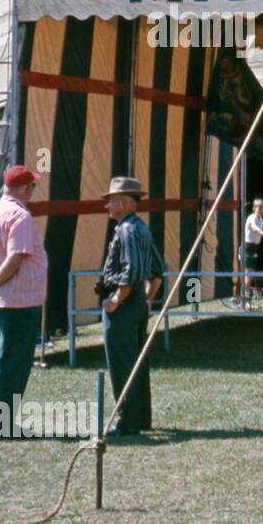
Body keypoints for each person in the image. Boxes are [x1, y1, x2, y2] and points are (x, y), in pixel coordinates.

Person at [99, 177, 163, 435]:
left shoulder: (125, 230)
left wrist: (116, 299)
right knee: (137, 362)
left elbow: (133, 271)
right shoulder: (141, 228)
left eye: (111, 201)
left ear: (125, 203)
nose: (107, 206)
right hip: (136, 301)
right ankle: (140, 417)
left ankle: (126, 421)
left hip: (124, 303)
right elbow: (157, 270)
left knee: (122, 363)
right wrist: (146, 300)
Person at [0, 166, 48, 436]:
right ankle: (2, 424)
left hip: (3, 300)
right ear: (26, 189)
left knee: (2, 359)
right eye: (33, 188)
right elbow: (14, 260)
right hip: (19, 300)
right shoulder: (20, 215)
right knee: (14, 362)